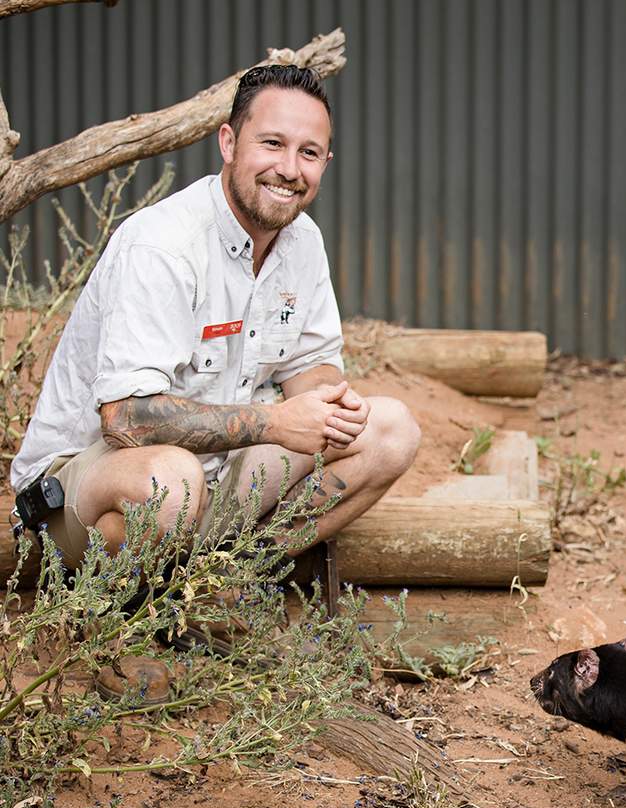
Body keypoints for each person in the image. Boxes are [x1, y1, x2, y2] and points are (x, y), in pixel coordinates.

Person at [9, 65, 420, 565]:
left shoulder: (303, 242)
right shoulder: (163, 246)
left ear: (325, 162)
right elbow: (126, 419)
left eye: (309, 153)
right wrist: (276, 422)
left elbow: (310, 365)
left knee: (392, 430)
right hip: (85, 488)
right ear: (229, 143)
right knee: (170, 484)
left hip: (215, 475)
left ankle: (231, 579)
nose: (290, 169)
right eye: (272, 144)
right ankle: (133, 594)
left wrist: (330, 406)